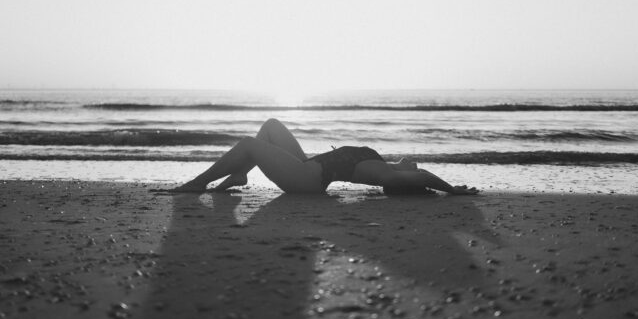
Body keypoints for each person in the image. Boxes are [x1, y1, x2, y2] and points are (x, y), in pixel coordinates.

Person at [169, 118, 478, 195]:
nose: (415, 163)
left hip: (307, 180)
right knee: (271, 126)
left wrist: (452, 190)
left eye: (414, 168)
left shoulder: (382, 172)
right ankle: (238, 174)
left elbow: (420, 177)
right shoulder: (378, 164)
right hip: (308, 167)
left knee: (250, 143)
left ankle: (198, 183)